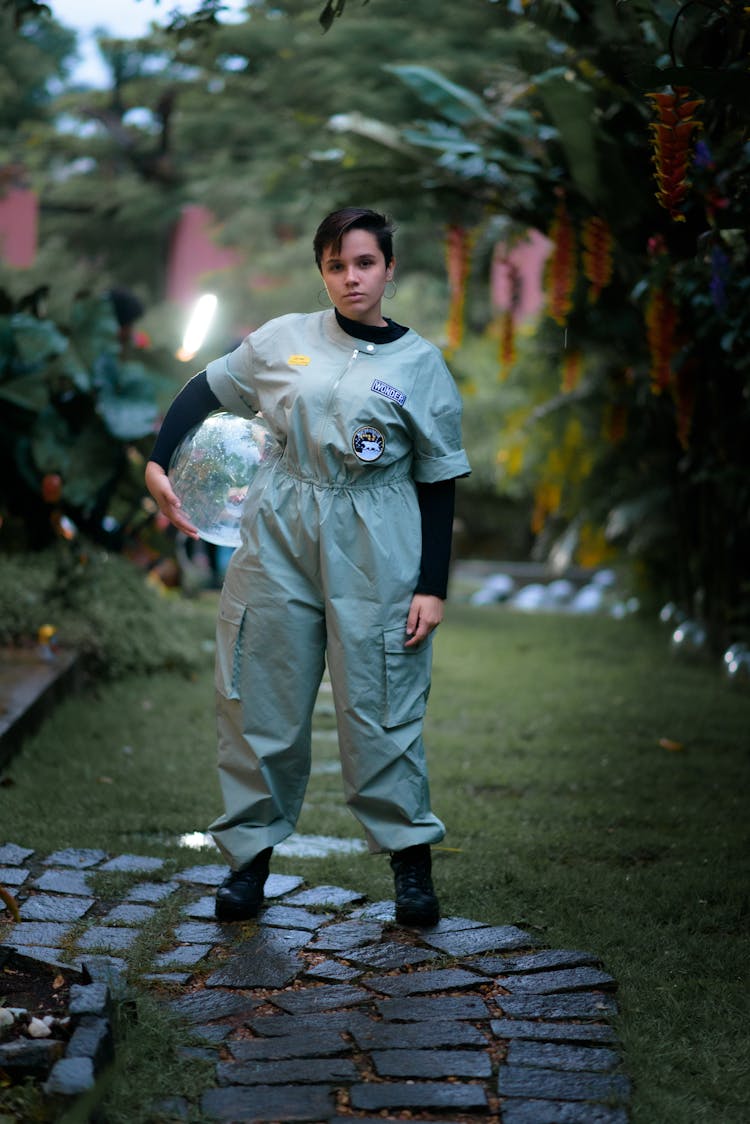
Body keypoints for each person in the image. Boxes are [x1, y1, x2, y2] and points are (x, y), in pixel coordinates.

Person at [145, 207, 470, 926]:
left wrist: (432, 586)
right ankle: (247, 865)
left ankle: (410, 867)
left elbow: (439, 480)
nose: (350, 278)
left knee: (381, 702)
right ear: (321, 271)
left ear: (389, 268)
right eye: (335, 265)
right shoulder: (281, 340)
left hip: (377, 538)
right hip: (281, 530)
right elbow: (206, 389)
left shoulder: (419, 365)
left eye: (364, 263)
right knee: (258, 691)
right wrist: (157, 458)